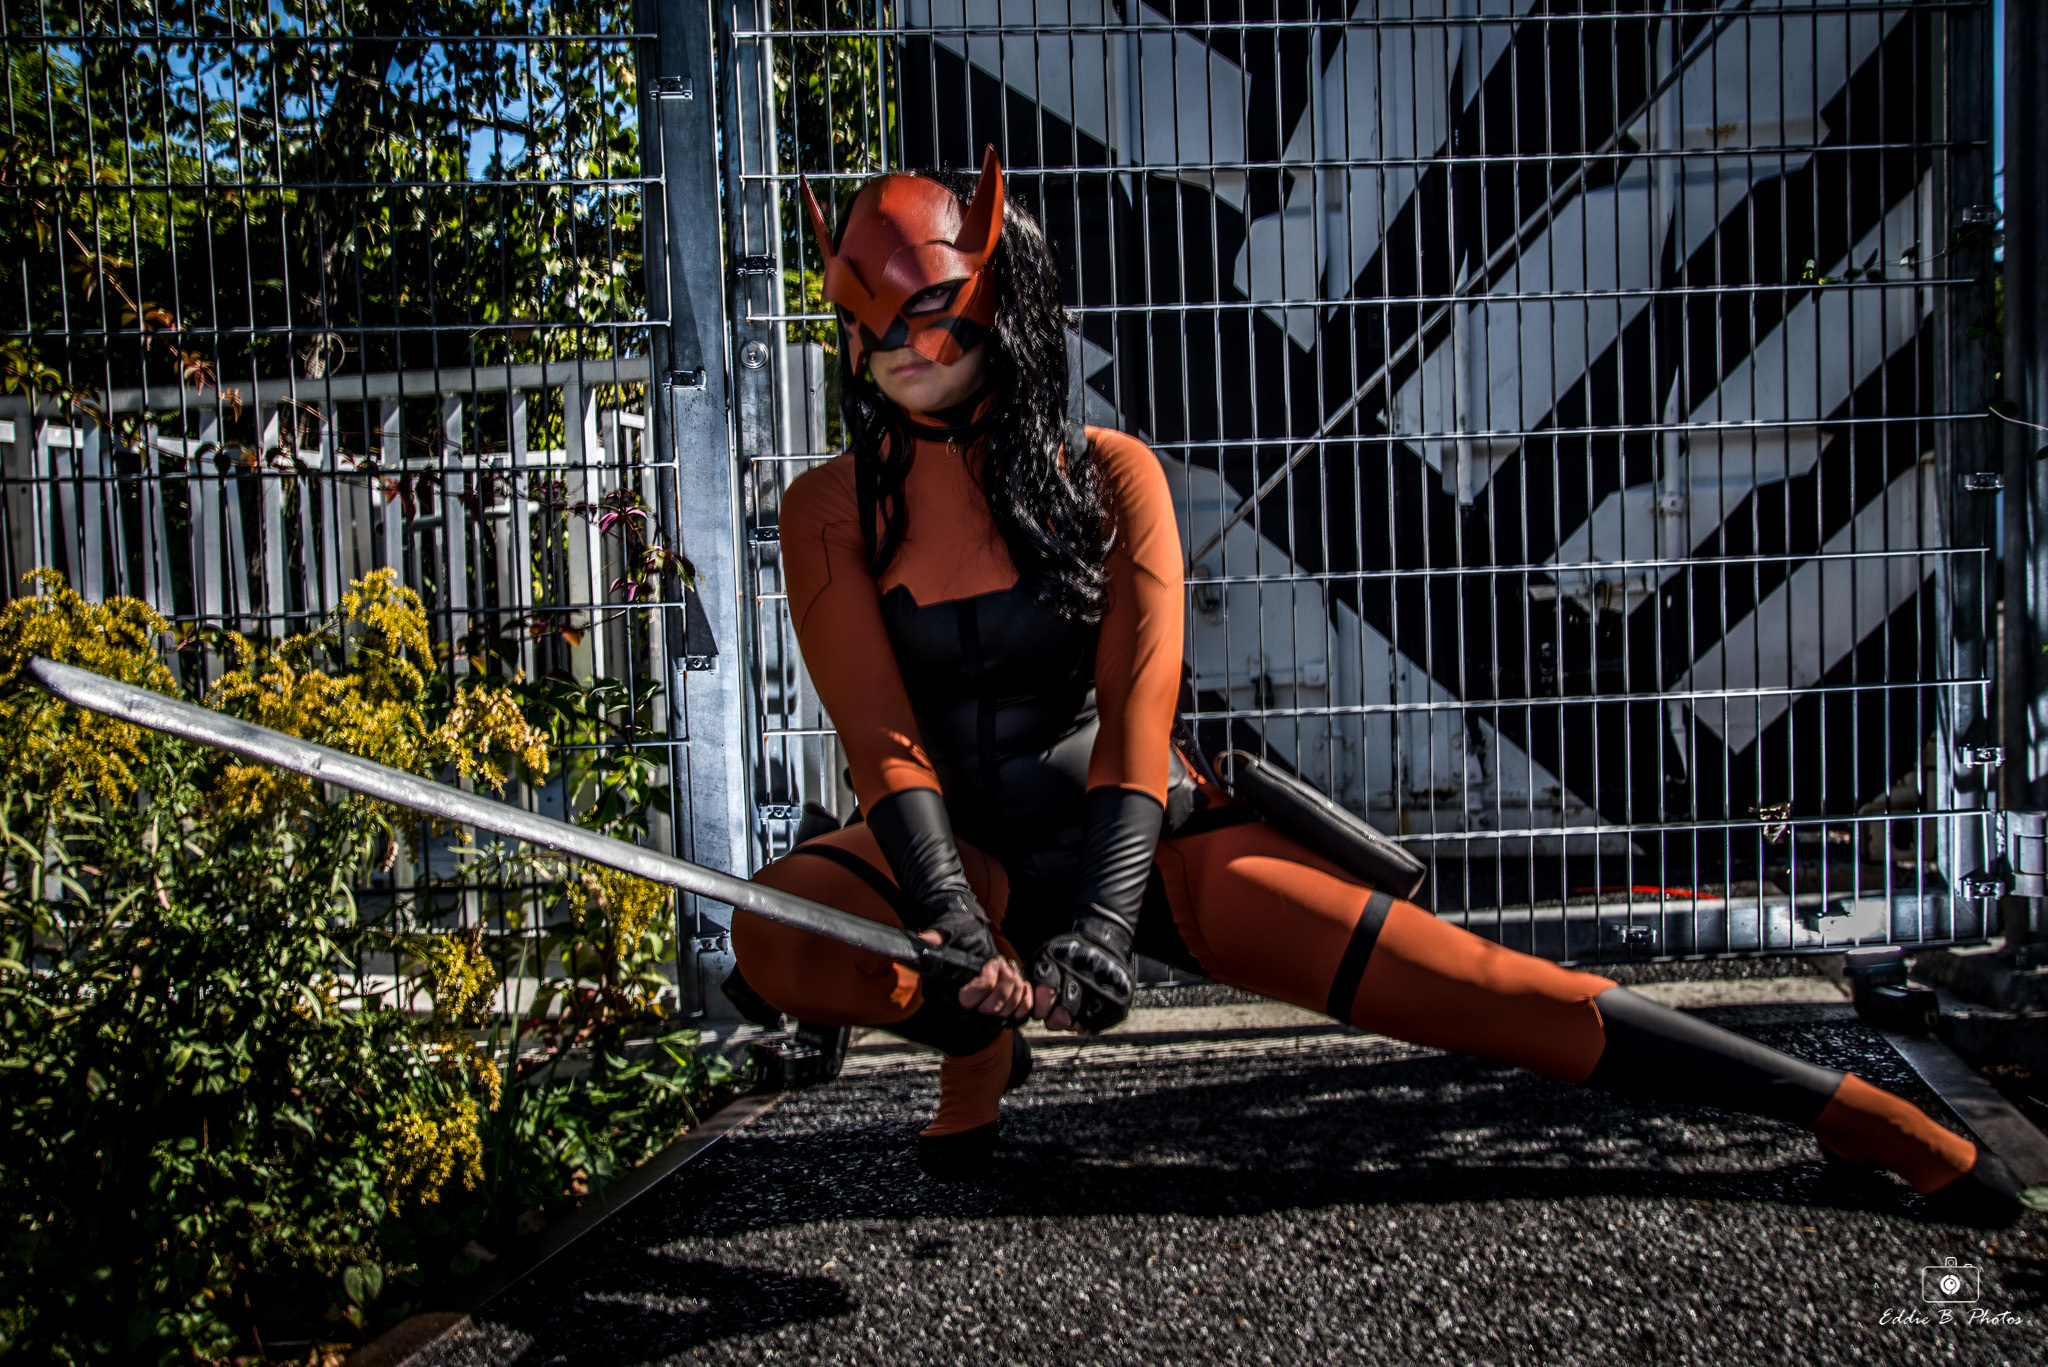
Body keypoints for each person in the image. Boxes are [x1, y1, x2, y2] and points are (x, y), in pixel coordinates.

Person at [728, 147, 2024, 1224]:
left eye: (924, 312)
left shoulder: (1108, 473)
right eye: (864, 322)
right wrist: (954, 926)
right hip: (960, 853)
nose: (892, 346)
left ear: (998, 297)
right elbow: (880, 735)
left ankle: (1850, 1111)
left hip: (1147, 839)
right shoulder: (831, 507)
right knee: (779, 935)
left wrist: (1109, 926)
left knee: (1483, 989)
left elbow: (1138, 709)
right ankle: (976, 1037)